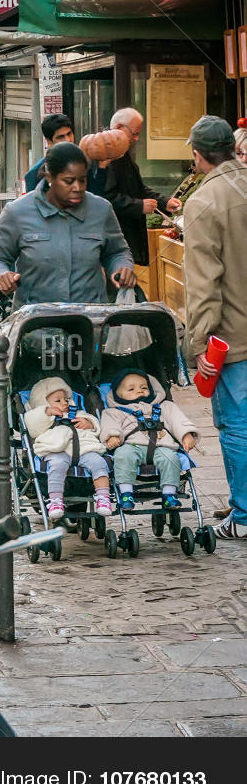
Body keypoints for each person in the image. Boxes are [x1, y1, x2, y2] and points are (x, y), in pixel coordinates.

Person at [183, 115, 247, 541]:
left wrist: (197, 346)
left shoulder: (204, 203)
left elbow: (205, 288)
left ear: (197, 154)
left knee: (238, 425)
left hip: (235, 337)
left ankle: (243, 516)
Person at [0, 141, 137, 304]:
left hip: (92, 318)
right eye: (68, 181)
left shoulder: (101, 209)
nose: (77, 187)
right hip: (36, 320)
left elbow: (117, 252)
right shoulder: (17, 212)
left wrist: (121, 267)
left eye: (82, 180)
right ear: (50, 177)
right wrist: (0, 276)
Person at [99, 369, 199, 512]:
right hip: (131, 446)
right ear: (117, 394)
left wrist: (186, 435)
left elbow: (178, 421)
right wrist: (112, 435)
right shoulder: (114, 411)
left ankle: (169, 494)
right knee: (122, 456)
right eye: (131, 389)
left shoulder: (164, 407)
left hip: (162, 447)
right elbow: (110, 425)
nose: (139, 391)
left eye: (144, 387)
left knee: (171, 459)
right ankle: (126, 493)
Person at [23, 377, 112, 522]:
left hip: (84, 449)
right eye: (57, 401)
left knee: (99, 463)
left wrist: (89, 423)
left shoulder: (76, 413)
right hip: (56, 451)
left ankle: (103, 497)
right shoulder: (40, 416)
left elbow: (95, 424)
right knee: (57, 465)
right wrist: (46, 412)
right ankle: (56, 500)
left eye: (65, 399)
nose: (64, 403)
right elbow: (32, 426)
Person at [102, 107, 173, 268]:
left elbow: (137, 187)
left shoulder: (121, 152)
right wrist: (139, 206)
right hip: (116, 239)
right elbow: (105, 198)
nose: (136, 138)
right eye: (134, 133)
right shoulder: (105, 154)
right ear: (119, 127)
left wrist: (164, 202)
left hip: (128, 239)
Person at [24, 114, 76, 194]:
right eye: (61, 137)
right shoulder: (35, 174)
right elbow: (32, 203)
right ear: (49, 141)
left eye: (69, 134)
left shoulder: (85, 163)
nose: (68, 140)